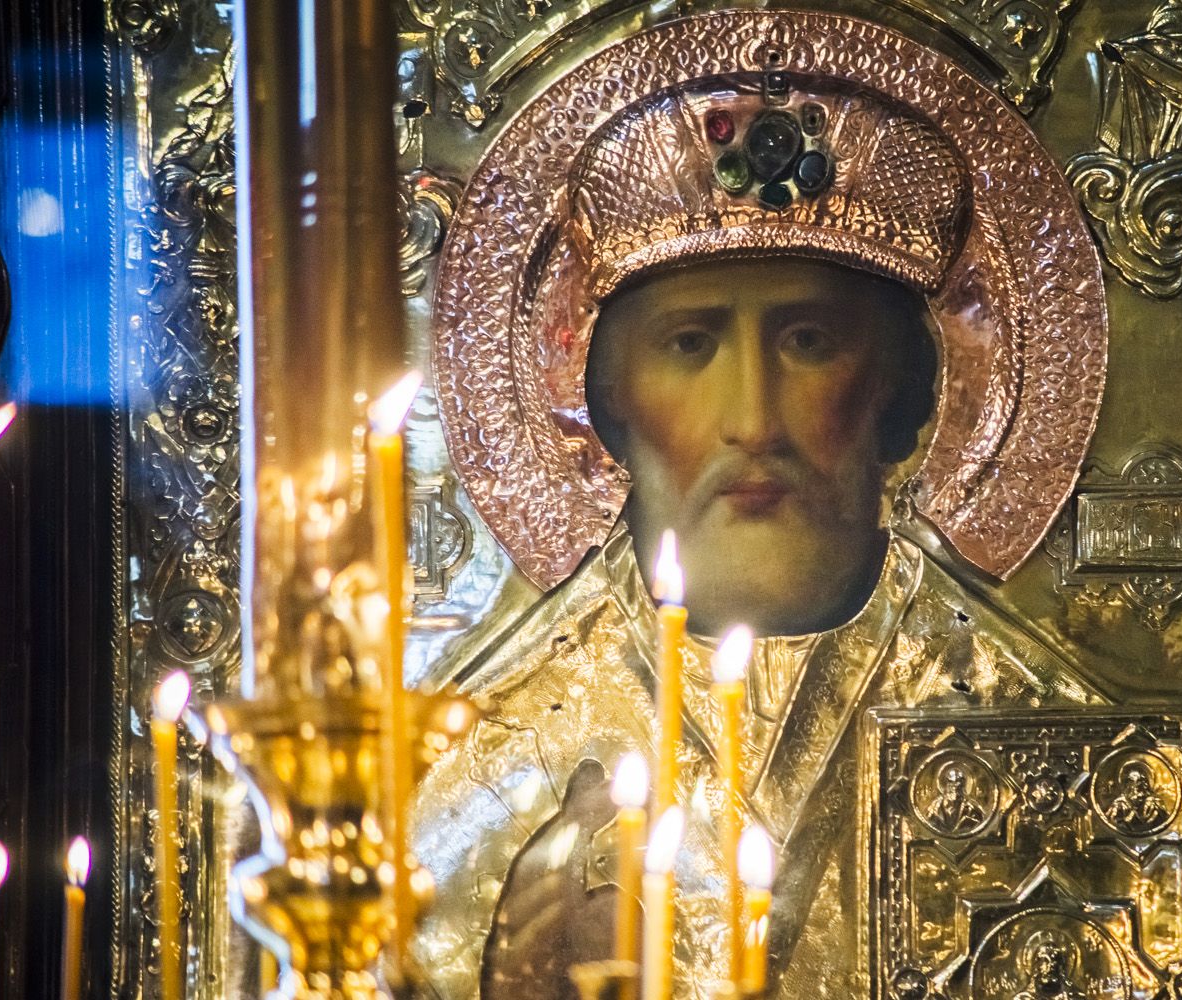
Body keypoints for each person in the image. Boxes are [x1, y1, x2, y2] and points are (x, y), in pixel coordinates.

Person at [412, 74, 1104, 1000]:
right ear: (606, 398)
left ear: (898, 385)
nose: (754, 420)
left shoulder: (1050, 743)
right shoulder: (482, 766)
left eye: (809, 341)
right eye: (691, 345)